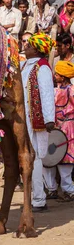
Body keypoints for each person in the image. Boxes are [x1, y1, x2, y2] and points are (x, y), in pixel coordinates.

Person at [21, 33, 55, 212]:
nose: (25, 46)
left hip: (37, 119)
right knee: (27, 156)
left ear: (37, 49)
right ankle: (34, 197)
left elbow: (47, 92)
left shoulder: (43, 68)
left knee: (34, 158)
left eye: (29, 45)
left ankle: (39, 199)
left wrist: (49, 118)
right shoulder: (25, 65)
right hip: (25, 118)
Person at [43, 61, 74, 201]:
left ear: (64, 77)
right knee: (48, 159)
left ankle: (69, 191)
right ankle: (51, 189)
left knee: (64, 162)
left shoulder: (72, 91)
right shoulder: (54, 90)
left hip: (67, 128)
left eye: (57, 74)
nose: (55, 76)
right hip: (53, 127)